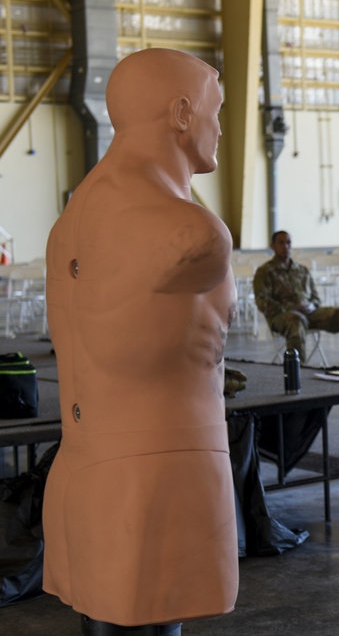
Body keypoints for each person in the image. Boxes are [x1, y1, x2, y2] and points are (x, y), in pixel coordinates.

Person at [44, 49, 238, 631]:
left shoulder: (72, 222)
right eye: (216, 111)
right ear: (181, 113)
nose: (221, 128)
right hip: (162, 474)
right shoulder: (192, 230)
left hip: (85, 470)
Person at [254, 231, 339, 374]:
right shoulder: (265, 271)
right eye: (281, 243)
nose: (286, 246)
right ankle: (296, 370)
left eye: (288, 242)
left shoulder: (301, 270)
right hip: (282, 317)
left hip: (310, 313)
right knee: (296, 320)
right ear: (273, 246)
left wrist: (312, 305)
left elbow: (315, 298)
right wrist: (291, 307)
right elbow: (262, 301)